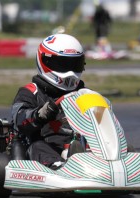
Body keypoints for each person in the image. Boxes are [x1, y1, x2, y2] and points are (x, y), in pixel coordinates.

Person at [11, 34, 86, 169]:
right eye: (63, 65)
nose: (70, 72)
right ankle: (59, 167)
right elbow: (19, 119)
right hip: (46, 149)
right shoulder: (30, 92)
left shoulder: (84, 94)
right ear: (45, 62)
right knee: (38, 147)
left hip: (80, 146)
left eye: (75, 64)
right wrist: (39, 115)